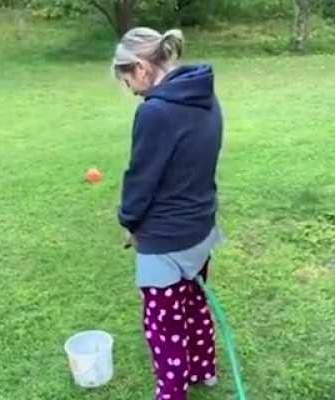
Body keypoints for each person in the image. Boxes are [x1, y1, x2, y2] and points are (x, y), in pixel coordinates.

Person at [111, 27, 224, 400]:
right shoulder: (203, 96)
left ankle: (173, 392)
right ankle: (204, 369)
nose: (132, 89)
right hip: (201, 228)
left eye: (128, 80)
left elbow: (141, 178)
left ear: (142, 67)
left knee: (164, 324)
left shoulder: (156, 112)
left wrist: (129, 221)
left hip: (167, 239)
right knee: (193, 301)